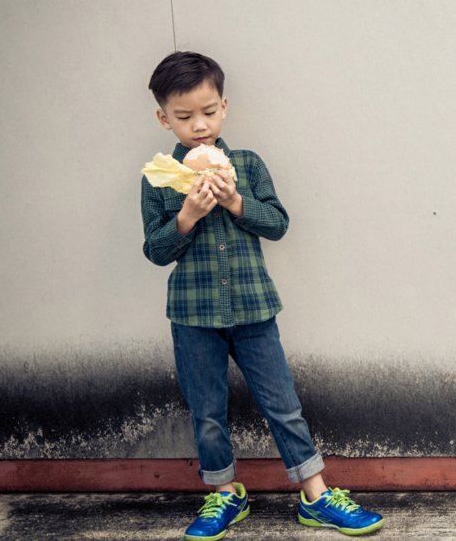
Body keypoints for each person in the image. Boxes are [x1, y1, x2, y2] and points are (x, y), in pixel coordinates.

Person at [141, 51, 384, 539]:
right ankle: (224, 494)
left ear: (225, 106)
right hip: (192, 314)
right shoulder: (160, 176)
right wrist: (186, 214)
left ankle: (315, 495)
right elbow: (155, 249)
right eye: (185, 117)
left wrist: (234, 200)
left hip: (254, 308)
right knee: (206, 410)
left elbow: (278, 223)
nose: (200, 126)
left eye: (209, 112)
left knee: (283, 403)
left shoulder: (247, 165)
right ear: (164, 118)